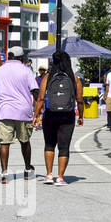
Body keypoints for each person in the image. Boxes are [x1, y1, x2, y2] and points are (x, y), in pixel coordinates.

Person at [33, 49, 83, 185]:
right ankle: (60, 177)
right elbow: (79, 100)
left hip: (50, 114)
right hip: (67, 115)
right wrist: (81, 116)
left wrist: (36, 115)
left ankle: (49, 175)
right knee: (64, 146)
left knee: (49, 145)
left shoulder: (48, 77)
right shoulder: (74, 78)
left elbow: (41, 98)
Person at [0, 47, 39, 183]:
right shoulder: (26, 70)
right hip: (23, 112)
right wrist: (38, 109)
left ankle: (4, 173)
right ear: (21, 58)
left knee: (4, 143)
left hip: (5, 111)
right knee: (25, 141)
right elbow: (35, 90)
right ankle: (27, 170)